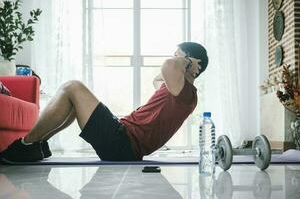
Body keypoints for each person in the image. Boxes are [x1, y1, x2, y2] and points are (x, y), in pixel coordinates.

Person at [0, 42, 209, 163]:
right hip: (122, 137)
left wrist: (186, 62)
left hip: (123, 143)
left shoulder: (186, 94)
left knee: (72, 87)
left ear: (191, 64)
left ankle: (24, 145)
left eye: (179, 56)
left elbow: (168, 65)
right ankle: (37, 144)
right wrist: (183, 62)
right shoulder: (175, 91)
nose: (174, 58)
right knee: (74, 101)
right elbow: (158, 79)